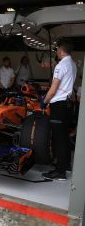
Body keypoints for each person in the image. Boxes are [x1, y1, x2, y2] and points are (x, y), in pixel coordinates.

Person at [41, 39, 76, 180]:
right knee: (64, 138)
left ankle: (60, 172)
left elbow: (53, 88)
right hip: (67, 105)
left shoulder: (61, 65)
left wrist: (44, 102)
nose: (56, 52)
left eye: (57, 50)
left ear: (61, 51)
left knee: (58, 139)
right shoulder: (72, 64)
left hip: (58, 106)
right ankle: (65, 166)